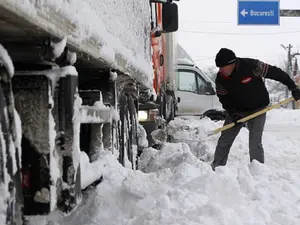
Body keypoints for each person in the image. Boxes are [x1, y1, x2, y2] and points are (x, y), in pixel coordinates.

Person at [211, 48, 300, 170]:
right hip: (237, 110)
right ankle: (216, 169)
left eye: (223, 67)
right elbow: (225, 100)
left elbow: (276, 73)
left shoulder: (252, 66)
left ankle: (258, 172)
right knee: (224, 140)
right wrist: (234, 114)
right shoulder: (220, 80)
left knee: (255, 142)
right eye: (219, 67)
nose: (220, 70)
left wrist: (293, 87)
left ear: (232, 63)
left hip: (258, 109)